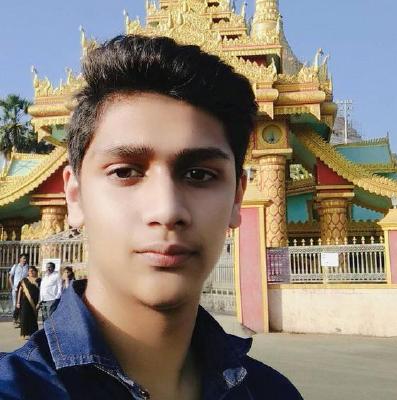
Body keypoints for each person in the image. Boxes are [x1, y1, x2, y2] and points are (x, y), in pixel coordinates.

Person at [0, 35, 303, 399]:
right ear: (75, 196)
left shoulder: (272, 392)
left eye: (199, 175)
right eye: (125, 172)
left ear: (237, 198)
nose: (167, 210)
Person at [16, 266, 41, 339]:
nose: (31, 272)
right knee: (24, 317)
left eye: (32, 270)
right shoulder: (24, 280)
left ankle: (33, 334)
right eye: (29, 271)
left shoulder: (39, 280)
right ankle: (23, 334)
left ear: (36, 271)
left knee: (33, 318)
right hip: (25, 301)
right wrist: (18, 302)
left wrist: (39, 302)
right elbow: (20, 291)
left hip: (35, 302)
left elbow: (42, 292)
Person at [8, 253, 29, 326]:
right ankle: (15, 319)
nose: (25, 260)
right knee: (15, 304)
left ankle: (20, 320)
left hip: (24, 289)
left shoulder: (28, 267)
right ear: (20, 259)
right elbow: (10, 277)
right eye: (23, 258)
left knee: (22, 304)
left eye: (26, 258)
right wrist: (13, 287)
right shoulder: (15, 266)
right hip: (16, 289)